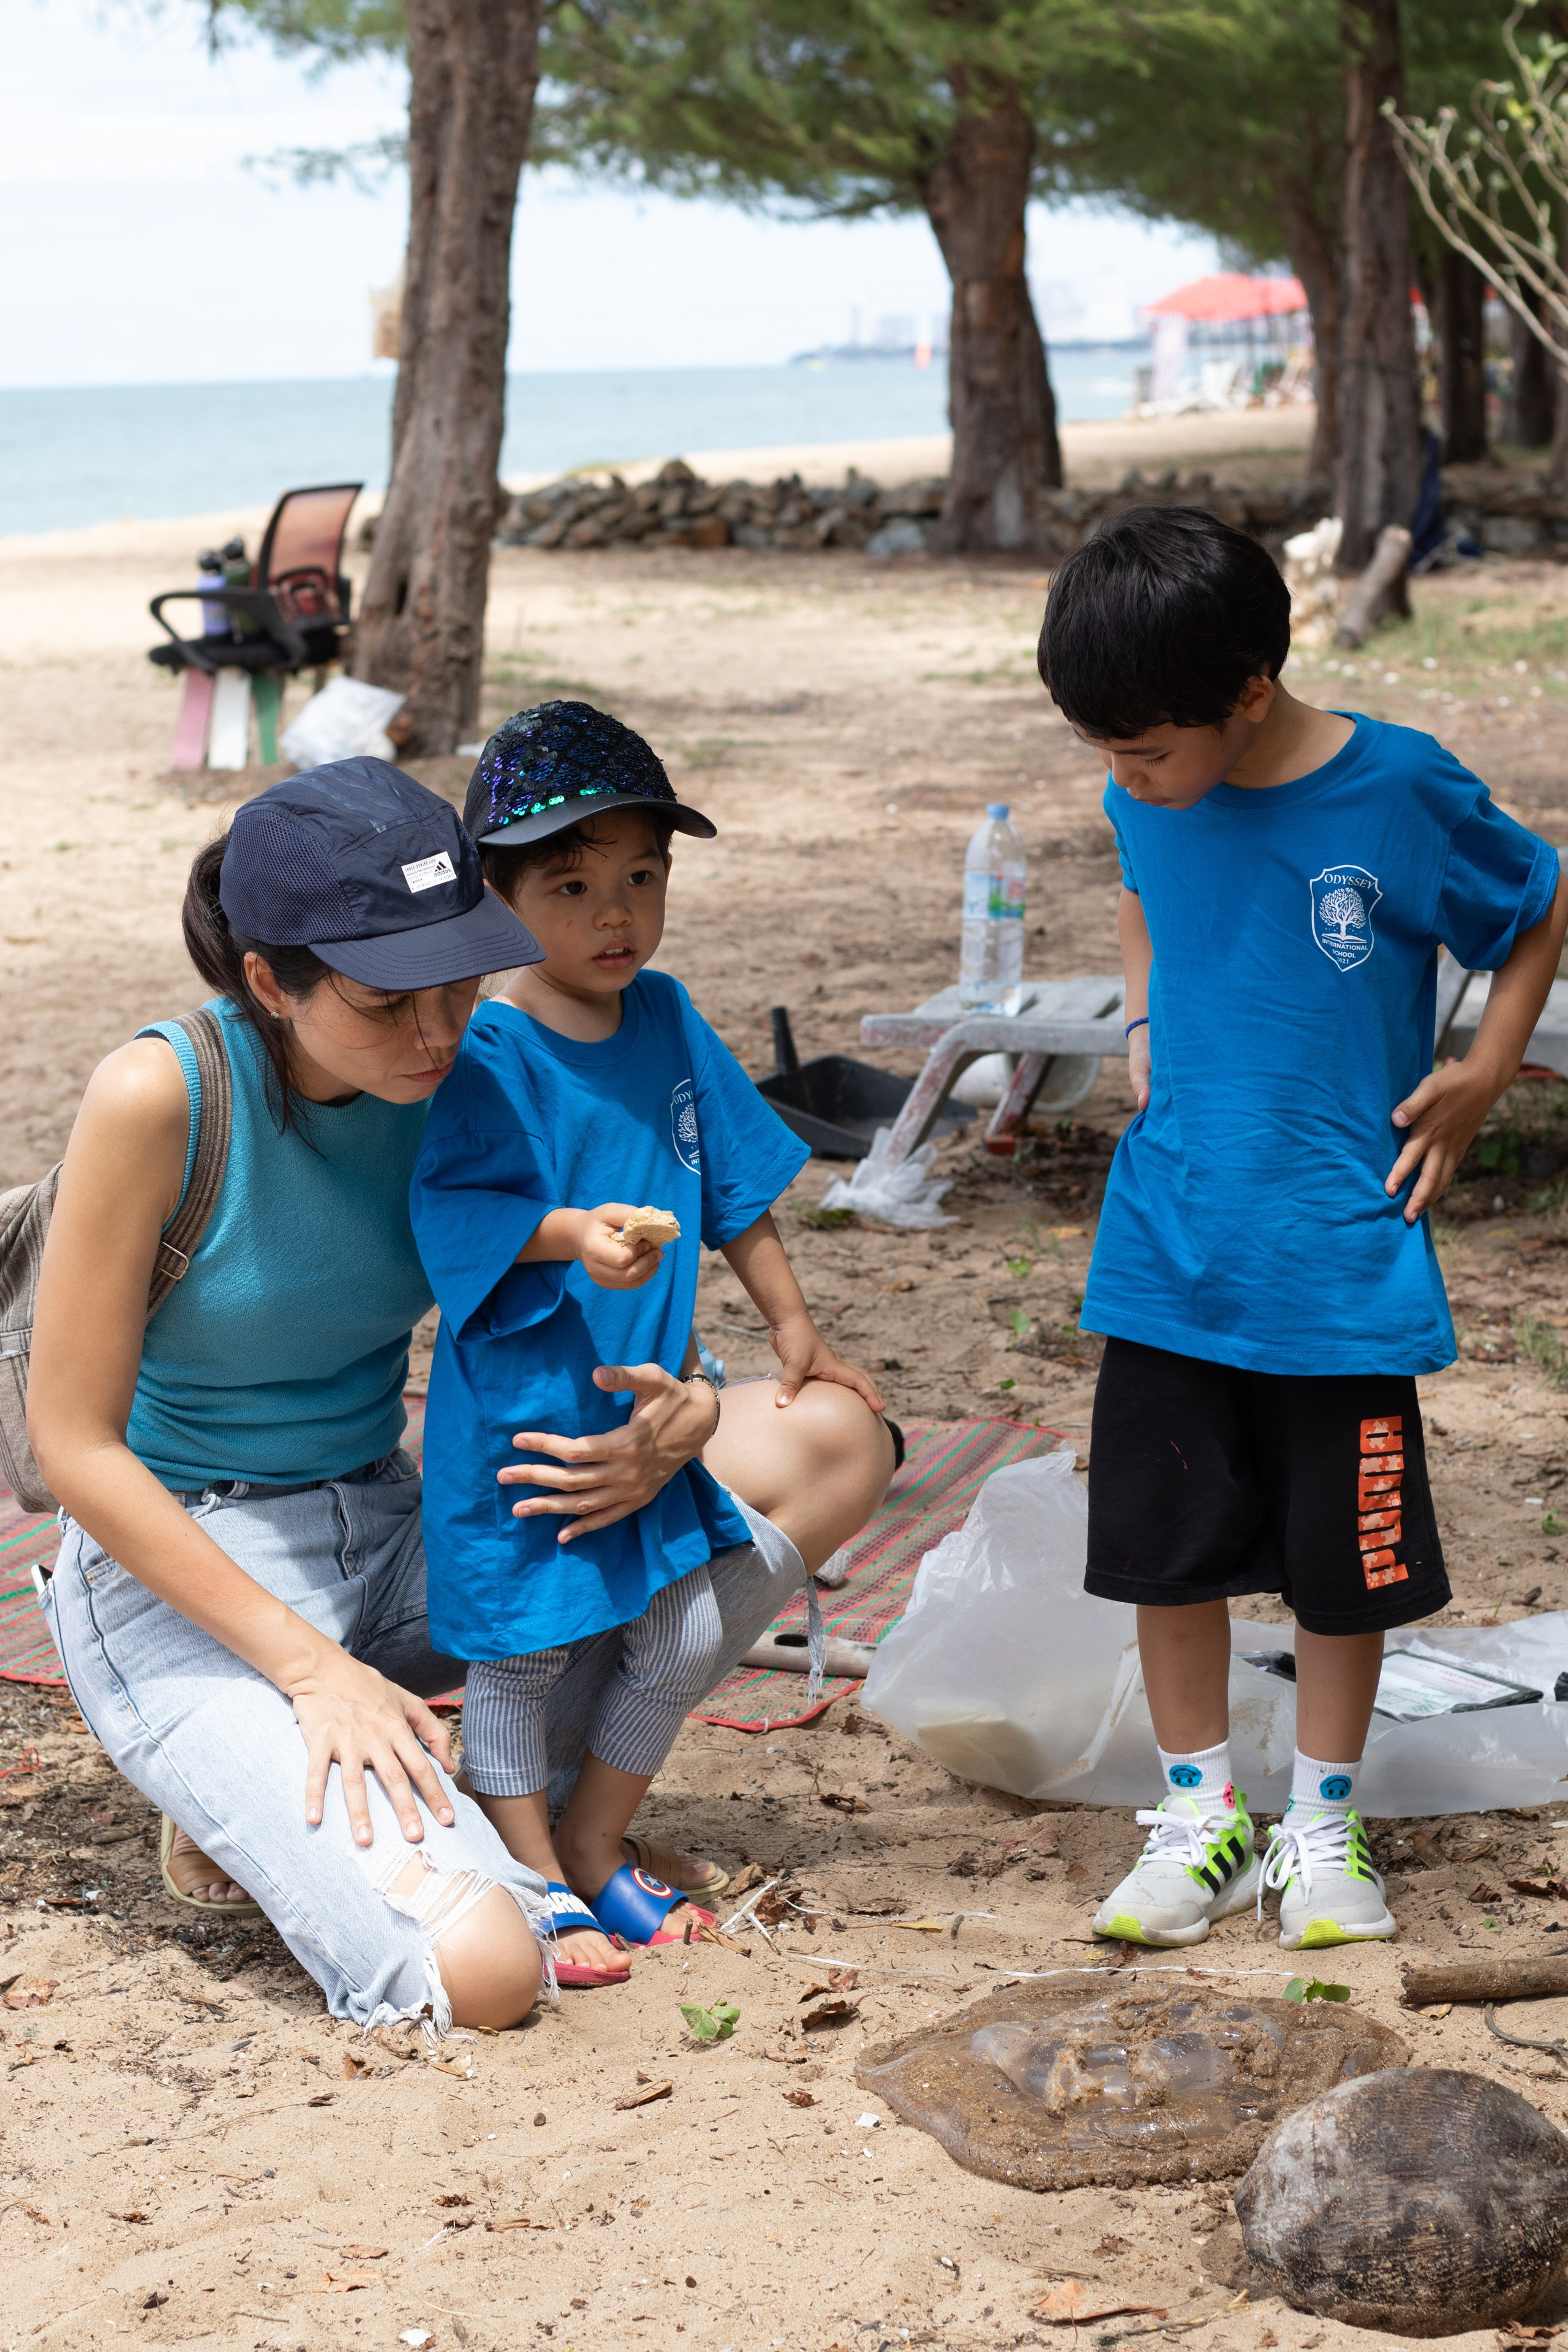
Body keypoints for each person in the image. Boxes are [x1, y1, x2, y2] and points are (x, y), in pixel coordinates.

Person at [1036, 507, 1568, 1953]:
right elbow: (1144, 887)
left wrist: (1477, 1074)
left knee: (1345, 1567)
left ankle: (1321, 1822)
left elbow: (1534, 899)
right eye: (1103, 751)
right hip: (1167, 1257)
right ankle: (1201, 1811)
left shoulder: (1393, 790)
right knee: (1167, 1555)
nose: (1121, 779)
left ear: (1248, 695)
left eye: (1141, 750)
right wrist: (1139, 1009)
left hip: (1335, 1260)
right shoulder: (1143, 784)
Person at [410, 701, 897, 1985]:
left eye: (640, 876)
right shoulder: (489, 1050)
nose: (612, 913)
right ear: (501, 903)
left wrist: (794, 1329)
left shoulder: (668, 1019)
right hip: (527, 1417)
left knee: (681, 1634)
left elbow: (737, 1191)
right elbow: (461, 1221)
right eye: (570, 886)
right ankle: (531, 1875)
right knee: (518, 1652)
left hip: (656, 1414)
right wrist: (576, 1234)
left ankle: (592, 1836)